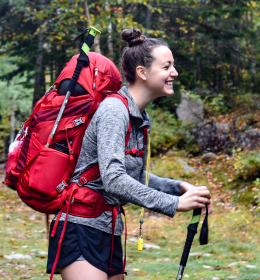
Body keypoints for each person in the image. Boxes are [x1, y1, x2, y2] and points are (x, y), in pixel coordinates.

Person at [46, 27, 214, 280]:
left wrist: (178, 187)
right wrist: (174, 204)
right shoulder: (115, 110)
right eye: (167, 66)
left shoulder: (139, 116)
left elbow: (132, 174)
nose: (174, 73)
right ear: (142, 72)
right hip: (80, 225)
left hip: (108, 228)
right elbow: (114, 179)